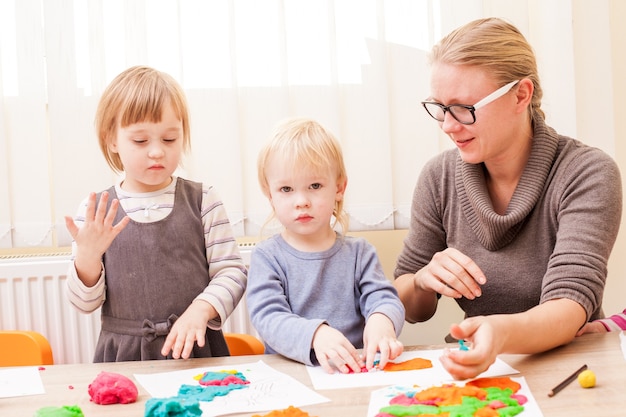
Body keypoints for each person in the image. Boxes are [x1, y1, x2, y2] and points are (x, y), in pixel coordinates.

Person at [393, 18, 622, 380]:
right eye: (439, 107)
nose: (448, 126)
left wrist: (498, 333)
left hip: (572, 371)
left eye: (463, 108)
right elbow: (408, 307)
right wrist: (422, 280)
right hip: (485, 367)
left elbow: (569, 304)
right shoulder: (438, 177)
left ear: (521, 95)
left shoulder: (586, 172)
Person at [64, 65, 247, 362]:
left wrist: (201, 310)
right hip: (123, 358)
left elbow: (232, 273)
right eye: (140, 141)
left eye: (169, 139)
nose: (157, 152)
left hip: (197, 351)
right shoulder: (94, 211)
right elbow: (83, 304)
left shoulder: (203, 199)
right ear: (112, 139)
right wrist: (88, 258)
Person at [247, 118, 405, 374]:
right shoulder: (267, 256)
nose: (301, 201)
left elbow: (383, 299)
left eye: (315, 186)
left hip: (354, 374)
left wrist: (382, 321)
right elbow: (268, 318)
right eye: (286, 189)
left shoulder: (360, 253)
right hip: (291, 375)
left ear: (339, 188)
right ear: (270, 196)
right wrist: (315, 335)